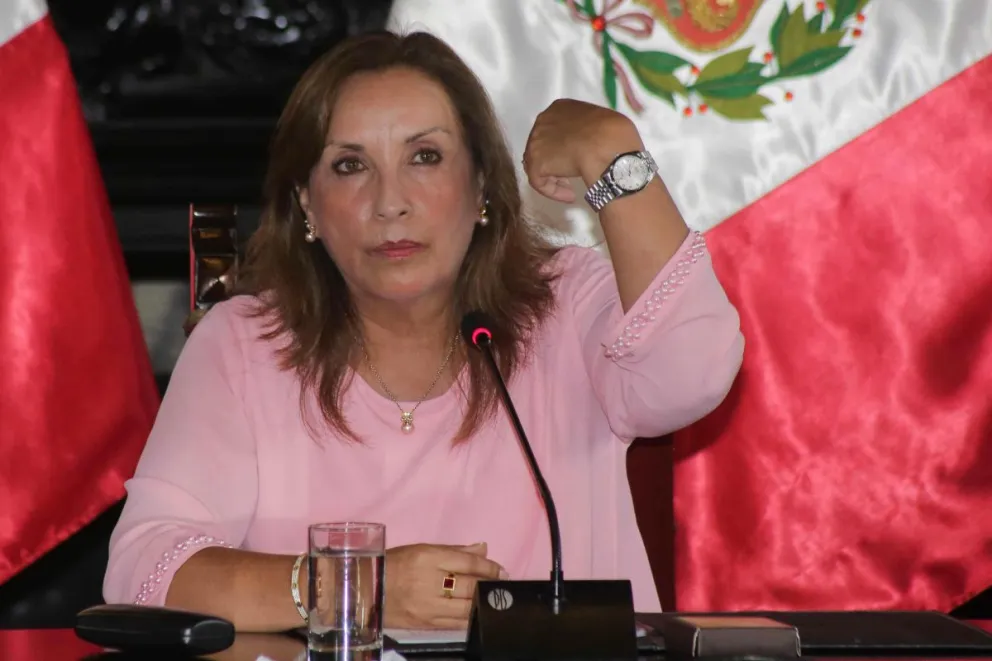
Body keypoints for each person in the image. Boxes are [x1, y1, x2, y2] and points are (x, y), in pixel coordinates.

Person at [103, 29, 744, 632]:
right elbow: (141, 574)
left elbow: (692, 372)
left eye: (425, 157)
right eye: (351, 166)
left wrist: (610, 149)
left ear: (483, 187)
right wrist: (354, 587)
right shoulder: (245, 344)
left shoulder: (567, 304)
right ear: (307, 206)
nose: (390, 202)